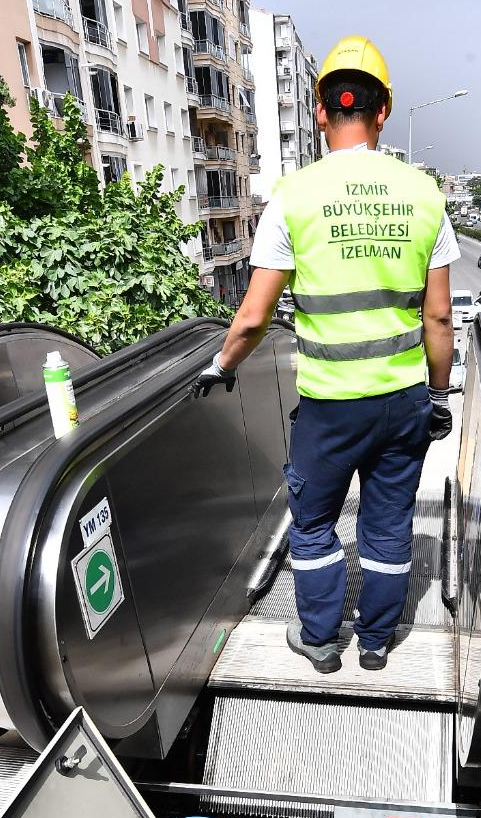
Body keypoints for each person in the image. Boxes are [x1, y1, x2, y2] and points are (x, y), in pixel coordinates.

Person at [192, 35, 459, 674]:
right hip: (401, 403)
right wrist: (440, 395)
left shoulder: (292, 196)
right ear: (384, 110)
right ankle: (374, 643)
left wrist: (221, 366)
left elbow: (253, 316)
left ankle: (319, 642)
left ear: (319, 110)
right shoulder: (424, 194)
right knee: (388, 529)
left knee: (313, 526)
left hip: (329, 407)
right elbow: (440, 316)